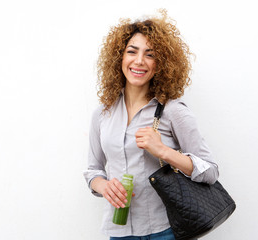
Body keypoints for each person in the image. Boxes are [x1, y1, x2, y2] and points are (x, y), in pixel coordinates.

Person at [83, 10, 219, 240]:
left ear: (161, 63)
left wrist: (164, 151)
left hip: (165, 230)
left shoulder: (173, 110)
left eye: (150, 54)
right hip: (119, 231)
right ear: (120, 58)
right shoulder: (102, 114)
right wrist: (103, 187)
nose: (139, 61)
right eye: (131, 52)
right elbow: (93, 170)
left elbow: (211, 171)